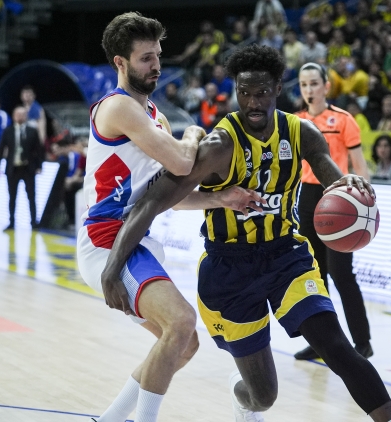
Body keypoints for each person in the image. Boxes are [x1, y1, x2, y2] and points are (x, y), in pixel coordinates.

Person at [102, 44, 391, 422]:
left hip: (286, 256)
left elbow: (332, 179)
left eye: (261, 92)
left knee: (336, 346)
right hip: (230, 269)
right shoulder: (219, 145)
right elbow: (152, 202)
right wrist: (112, 268)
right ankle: (241, 395)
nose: (253, 102)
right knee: (262, 396)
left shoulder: (303, 134)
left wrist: (349, 186)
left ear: (277, 88)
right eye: (244, 93)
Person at [75, 13, 256, 422]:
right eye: (145, 58)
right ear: (120, 62)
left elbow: (170, 198)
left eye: (158, 55)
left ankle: (110, 419)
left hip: (133, 239)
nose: (156, 65)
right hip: (108, 241)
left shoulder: (153, 113)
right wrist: (192, 132)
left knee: (183, 343)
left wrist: (221, 199)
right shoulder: (118, 107)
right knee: (181, 321)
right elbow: (182, 161)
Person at [293, 62, 375, 362]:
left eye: (314, 83)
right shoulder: (295, 121)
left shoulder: (343, 120)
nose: (309, 89)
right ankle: (322, 343)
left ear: (326, 86)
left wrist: (365, 200)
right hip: (306, 198)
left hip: (339, 198)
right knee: (314, 274)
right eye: (304, 84)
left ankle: (362, 341)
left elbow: (359, 165)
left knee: (341, 273)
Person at [0, 107, 44, 230]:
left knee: (31, 196)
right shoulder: (8, 131)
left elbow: (39, 150)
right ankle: (11, 221)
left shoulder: (32, 131)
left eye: (22, 114)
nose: (20, 117)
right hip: (13, 168)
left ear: (26, 116)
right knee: (12, 196)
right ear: (13, 116)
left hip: (28, 168)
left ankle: (34, 222)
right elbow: (1, 149)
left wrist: (39, 166)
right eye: (17, 114)